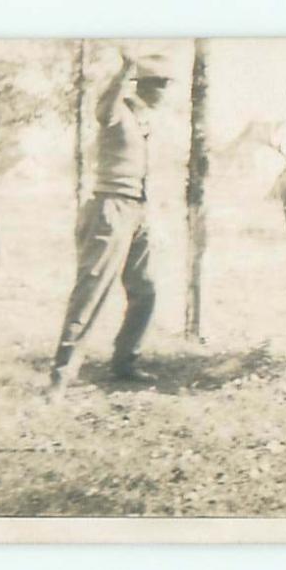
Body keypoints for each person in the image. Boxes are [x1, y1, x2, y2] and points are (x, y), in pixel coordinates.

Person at [46, 47, 171, 399]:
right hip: (108, 208)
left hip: (139, 212)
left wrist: (155, 218)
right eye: (157, 83)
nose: (163, 90)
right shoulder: (119, 113)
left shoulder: (151, 124)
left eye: (165, 83)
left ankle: (124, 362)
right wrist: (124, 70)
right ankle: (61, 376)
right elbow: (102, 109)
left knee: (146, 289)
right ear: (141, 85)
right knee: (91, 291)